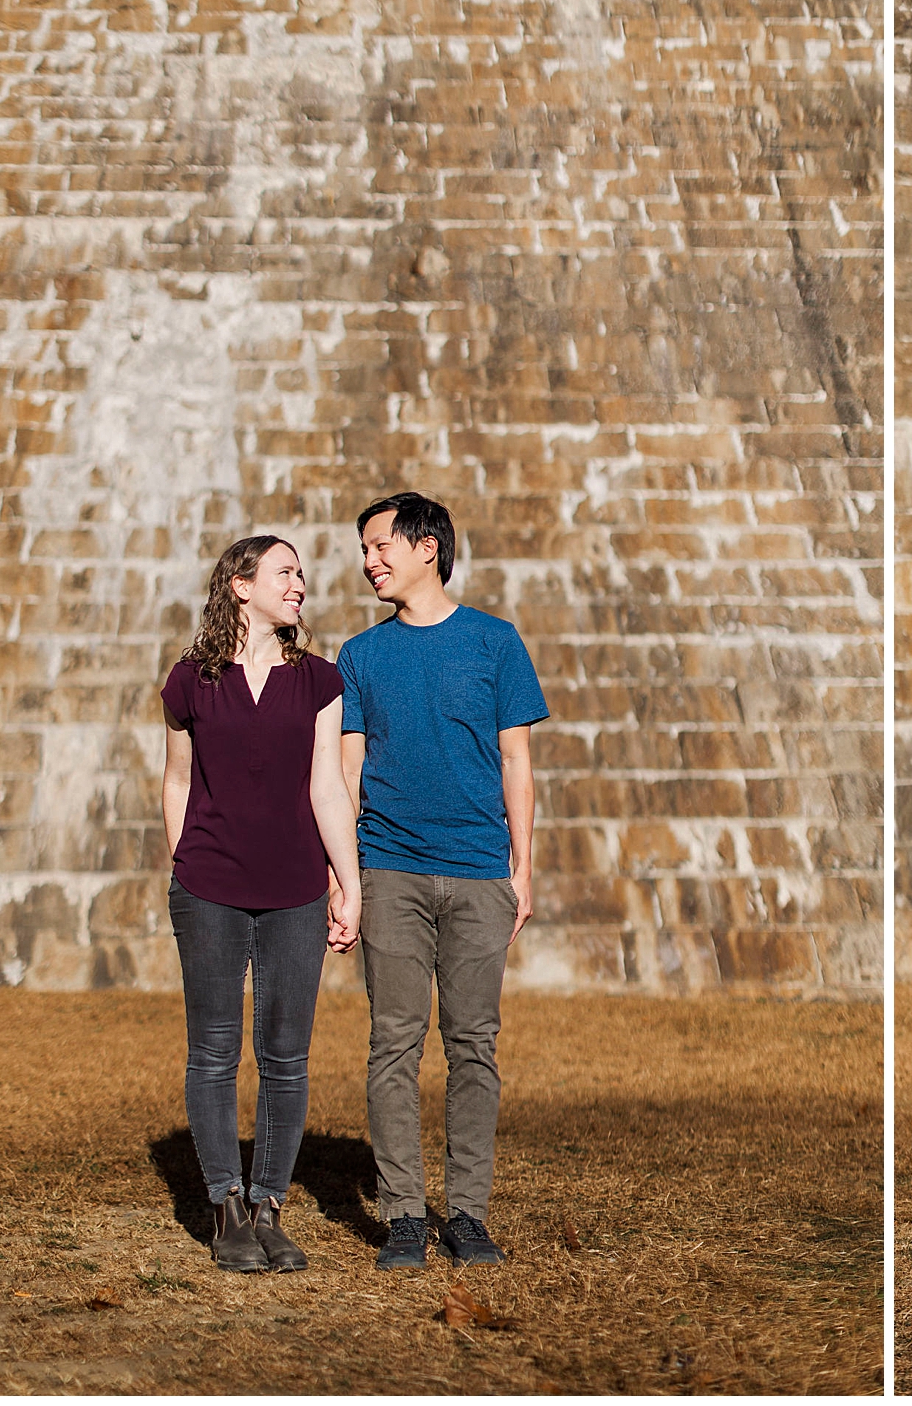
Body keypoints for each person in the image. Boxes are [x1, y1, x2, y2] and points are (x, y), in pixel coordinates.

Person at [337, 492, 548, 1270]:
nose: (369, 560)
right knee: (392, 1044)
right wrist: (344, 878)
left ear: (429, 546)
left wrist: (521, 869)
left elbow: (517, 759)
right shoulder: (359, 656)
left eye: (380, 544)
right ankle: (400, 1216)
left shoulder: (496, 643)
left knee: (474, 1046)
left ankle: (466, 1214)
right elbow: (349, 769)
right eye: (364, 549)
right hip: (388, 871)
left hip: (479, 877)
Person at [160, 535, 363, 1274]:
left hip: (296, 892)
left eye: (302, 575)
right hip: (208, 888)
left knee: (285, 1056)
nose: (300, 585)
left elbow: (328, 789)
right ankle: (227, 1208)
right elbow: (178, 779)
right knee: (214, 1053)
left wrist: (350, 884)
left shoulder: (320, 682)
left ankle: (270, 1205)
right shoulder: (189, 680)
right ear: (241, 586)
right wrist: (184, 863)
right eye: (286, 573)